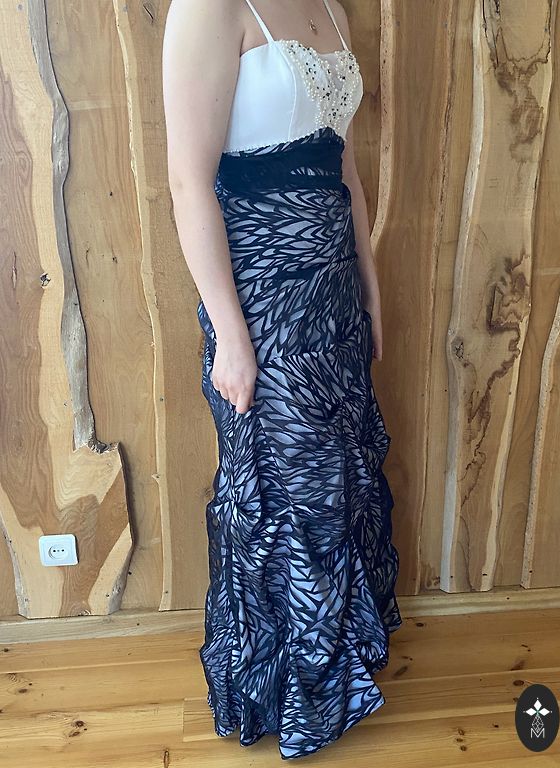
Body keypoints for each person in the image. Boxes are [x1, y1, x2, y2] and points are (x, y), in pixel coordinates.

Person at [162, 0, 402, 759]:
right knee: (282, 490)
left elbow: (346, 169)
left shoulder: (331, 6)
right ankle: (283, 693)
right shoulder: (208, 8)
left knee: (338, 481)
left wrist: (370, 286)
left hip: (332, 288)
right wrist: (231, 339)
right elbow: (187, 182)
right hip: (262, 292)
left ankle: (334, 671)